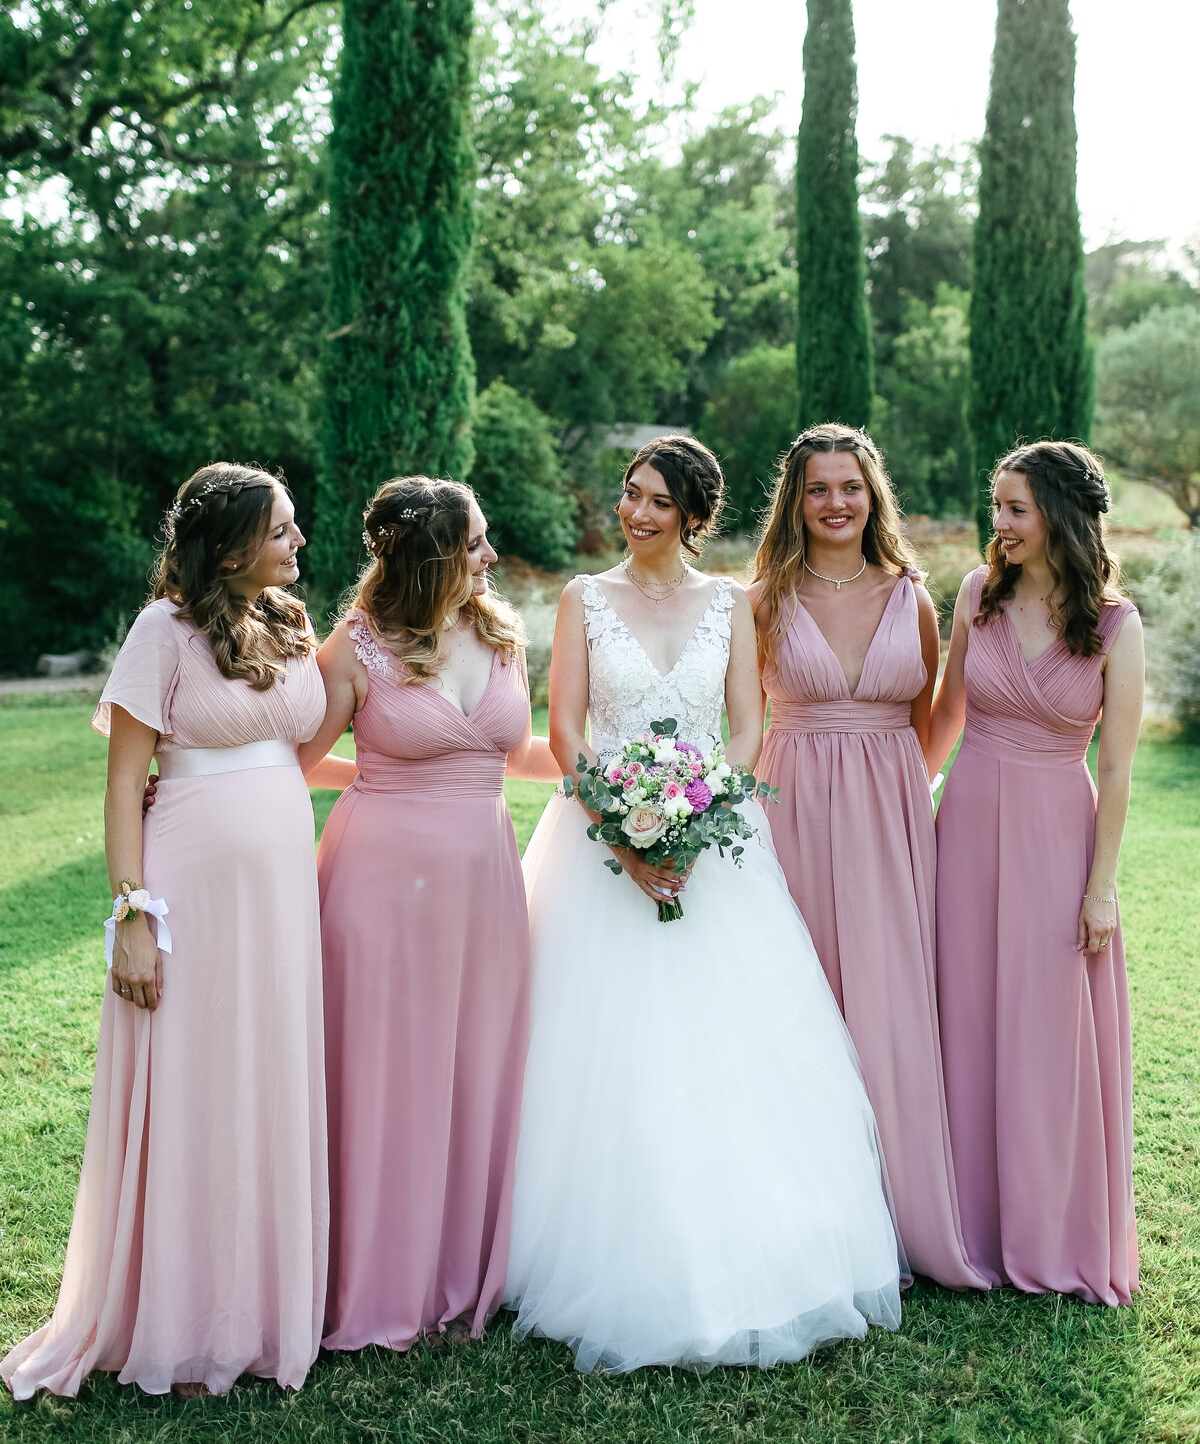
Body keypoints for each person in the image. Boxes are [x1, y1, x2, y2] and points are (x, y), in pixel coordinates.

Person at [504, 436, 904, 1373]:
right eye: (630, 495)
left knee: (737, 1046)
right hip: (597, 847)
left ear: (693, 513)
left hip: (713, 848)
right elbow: (564, 727)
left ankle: (755, 1244)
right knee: (600, 1051)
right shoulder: (581, 599)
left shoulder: (732, 602)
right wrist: (623, 830)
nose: (636, 513)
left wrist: (695, 814)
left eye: (657, 501)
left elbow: (748, 721)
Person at [2, 464, 332, 1399]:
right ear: (229, 547)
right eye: (282, 531)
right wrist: (133, 917)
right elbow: (122, 785)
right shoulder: (163, 632)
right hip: (189, 889)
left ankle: (262, 1311)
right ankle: (183, 1326)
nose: (298, 543)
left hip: (280, 895)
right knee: (197, 1089)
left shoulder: (288, 623)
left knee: (264, 1080)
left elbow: (291, 749)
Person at [306, 477, 559, 1354]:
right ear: (430, 554)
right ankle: (373, 1276)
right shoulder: (355, 647)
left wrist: (620, 777)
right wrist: (379, 779)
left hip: (482, 886)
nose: (492, 554)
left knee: (472, 1063)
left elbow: (513, 751)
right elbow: (298, 762)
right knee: (382, 1070)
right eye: (478, 542)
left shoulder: (500, 634)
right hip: (378, 882)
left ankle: (458, 1264)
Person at [750, 426, 985, 1291]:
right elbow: (739, 718)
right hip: (794, 806)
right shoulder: (764, 599)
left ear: (871, 495)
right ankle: (804, 1211)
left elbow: (930, 723)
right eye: (819, 489)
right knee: (800, 997)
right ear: (797, 500)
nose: (836, 503)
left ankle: (902, 1205)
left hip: (890, 813)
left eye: (851, 487)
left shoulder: (911, 595)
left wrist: (894, 801)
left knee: (889, 1001)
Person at [929, 440, 1143, 1304]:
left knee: (1048, 1032)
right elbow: (946, 713)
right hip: (969, 822)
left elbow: (1121, 769)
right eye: (998, 508)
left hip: (1060, 831)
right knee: (967, 1014)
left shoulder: (1116, 625)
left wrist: (1100, 885)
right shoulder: (978, 596)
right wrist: (900, 803)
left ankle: (1051, 1227)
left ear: (1057, 513)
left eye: (1016, 508)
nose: (1000, 524)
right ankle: (968, 1223)